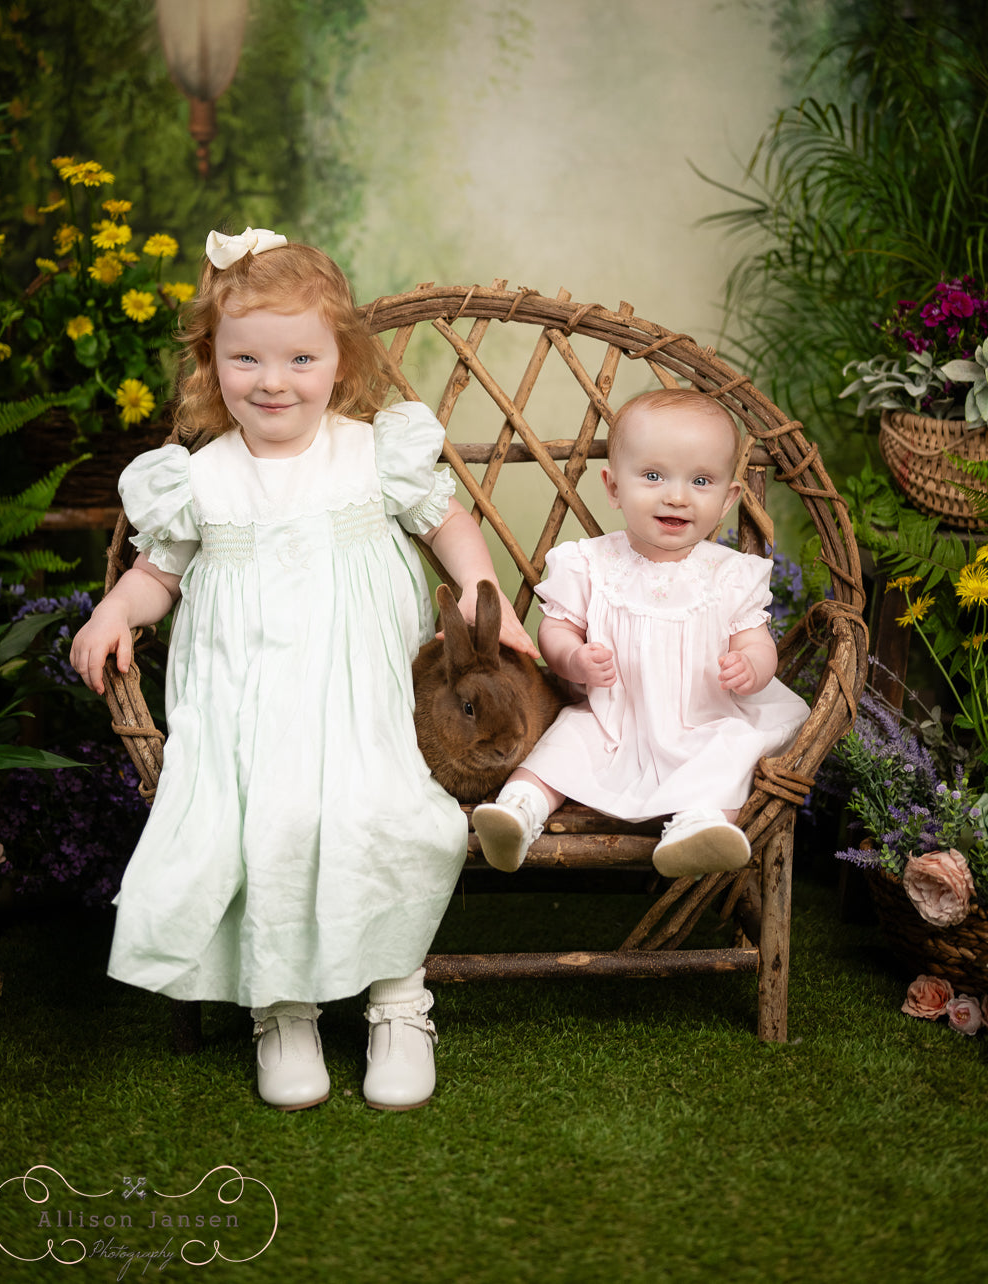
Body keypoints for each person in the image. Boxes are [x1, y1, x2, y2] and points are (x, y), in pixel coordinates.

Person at [70, 226, 535, 1114]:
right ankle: (281, 1007)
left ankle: (399, 999)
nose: (272, 381)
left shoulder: (373, 453)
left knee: (396, 818)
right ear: (212, 363)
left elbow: (448, 528)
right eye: (245, 358)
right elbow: (154, 576)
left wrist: (491, 598)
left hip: (367, 696)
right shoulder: (198, 479)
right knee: (268, 826)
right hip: (248, 700)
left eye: (298, 358)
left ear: (340, 361)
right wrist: (112, 611)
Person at [471, 388, 811, 878]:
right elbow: (556, 630)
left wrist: (753, 667)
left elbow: (756, 641)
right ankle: (519, 811)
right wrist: (572, 658)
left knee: (729, 751)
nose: (676, 495)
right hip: (613, 719)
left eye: (701, 480)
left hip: (704, 719)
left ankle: (699, 826)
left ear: (727, 498)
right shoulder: (590, 562)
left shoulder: (731, 573)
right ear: (613, 488)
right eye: (653, 476)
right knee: (567, 740)